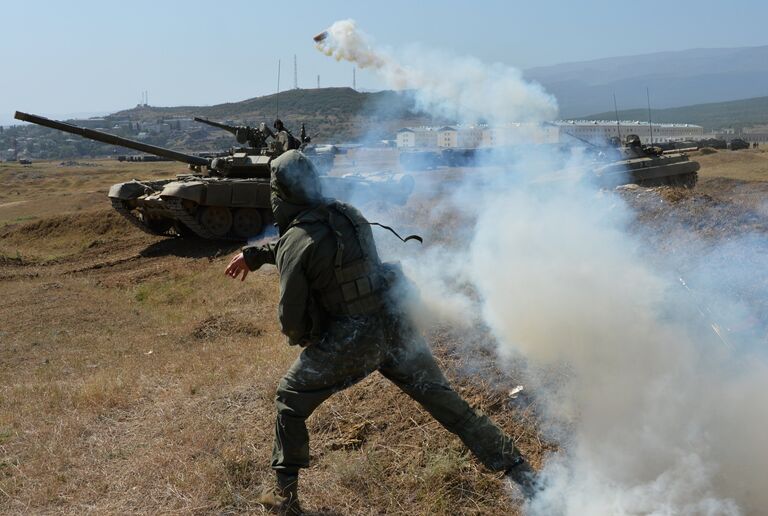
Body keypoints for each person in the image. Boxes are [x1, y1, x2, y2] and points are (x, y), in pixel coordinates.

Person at [225, 150, 538, 514]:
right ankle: (521, 471)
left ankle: (284, 499)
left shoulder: (298, 238)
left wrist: (309, 339)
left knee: (289, 397)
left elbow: (290, 317)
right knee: (451, 406)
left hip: (352, 341)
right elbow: (304, 244)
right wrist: (256, 255)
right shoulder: (347, 213)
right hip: (395, 325)